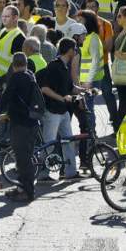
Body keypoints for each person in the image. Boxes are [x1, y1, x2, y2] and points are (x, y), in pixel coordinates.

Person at [0, 53, 41, 202]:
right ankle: (21, 188)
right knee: (24, 157)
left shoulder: (16, 78)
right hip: (32, 122)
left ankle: (27, 191)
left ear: (13, 65)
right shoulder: (30, 76)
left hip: (21, 124)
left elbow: (6, 97)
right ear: (26, 64)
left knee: (23, 159)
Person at [37, 38, 84, 181]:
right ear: (69, 50)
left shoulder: (65, 67)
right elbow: (44, 88)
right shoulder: (54, 66)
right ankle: (43, 174)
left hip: (63, 112)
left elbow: (70, 88)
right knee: (49, 143)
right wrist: (62, 98)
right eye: (75, 49)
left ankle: (70, 172)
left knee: (68, 141)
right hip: (52, 112)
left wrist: (85, 91)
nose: (76, 52)